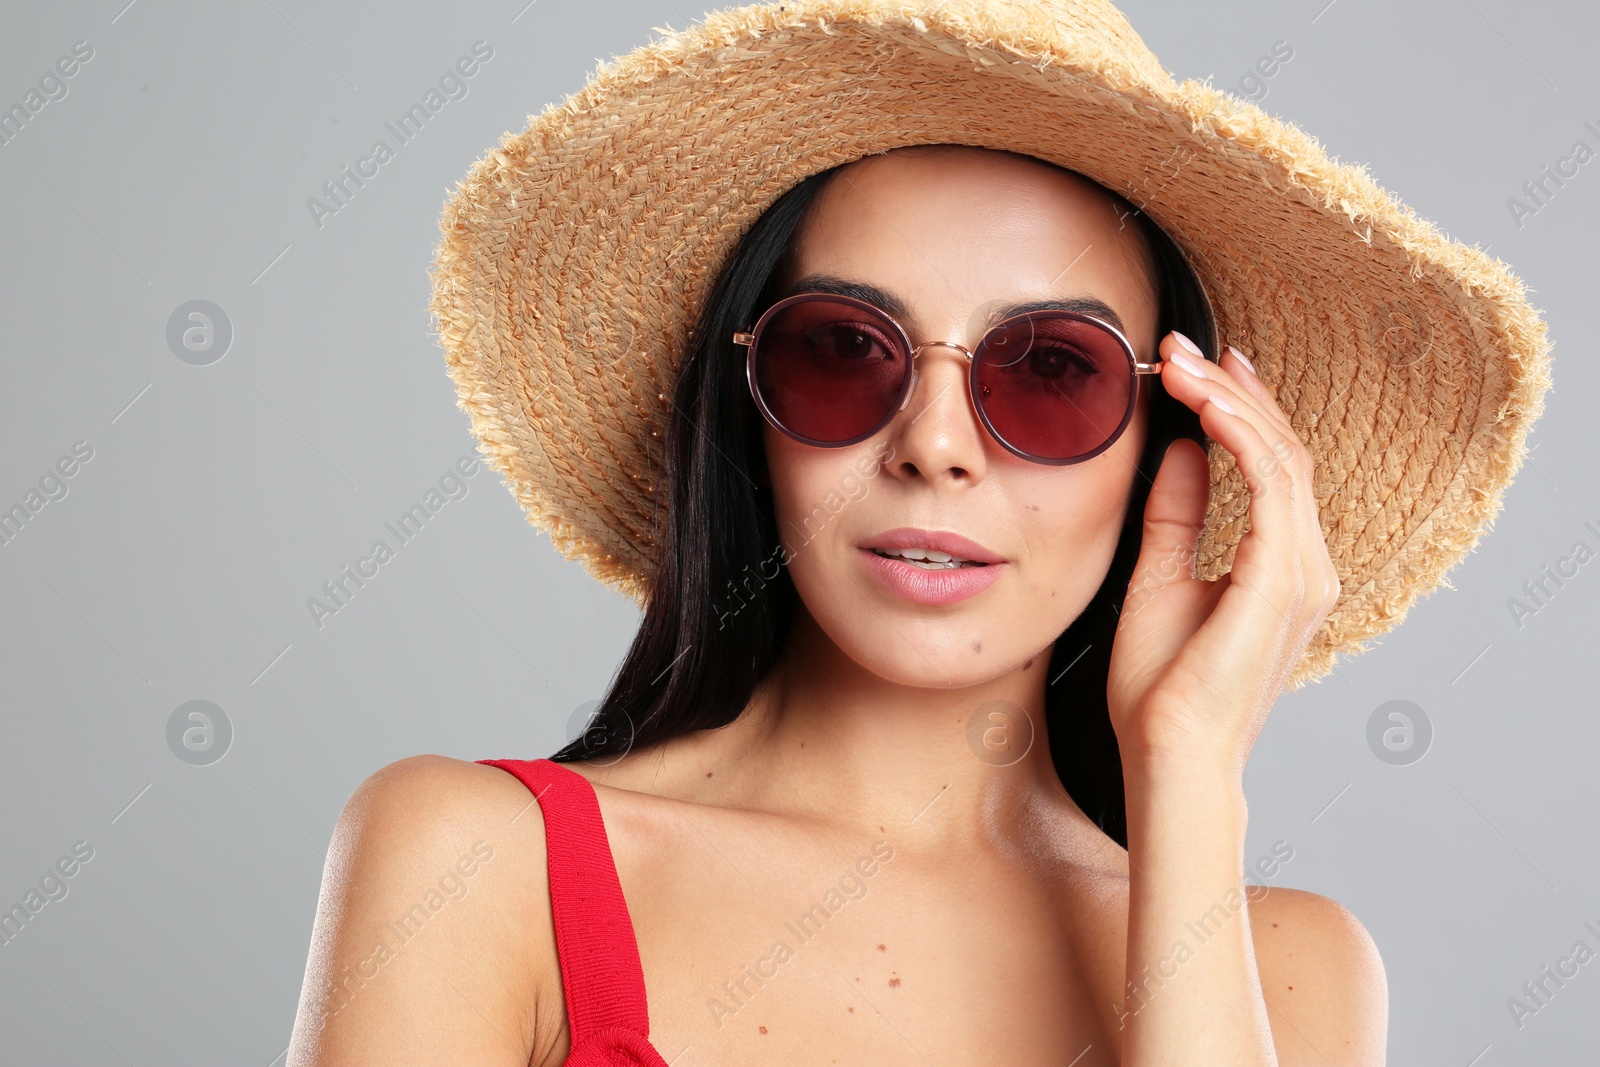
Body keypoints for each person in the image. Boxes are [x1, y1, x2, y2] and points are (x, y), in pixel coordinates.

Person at [287, 1, 1551, 1064]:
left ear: (1178, 457)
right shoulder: (474, 861)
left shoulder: (1289, 968)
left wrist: (1189, 773)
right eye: (842, 350)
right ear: (749, 410)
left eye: (1051, 368)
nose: (935, 443)